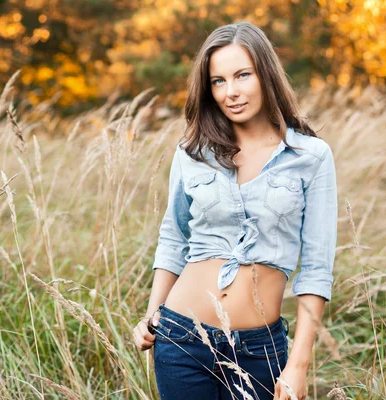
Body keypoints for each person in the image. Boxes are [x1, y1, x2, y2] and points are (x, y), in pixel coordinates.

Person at [132, 21, 337, 400]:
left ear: (266, 75)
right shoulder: (193, 152)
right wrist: (152, 313)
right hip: (181, 338)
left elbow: (316, 268)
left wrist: (298, 364)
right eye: (218, 81)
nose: (232, 92)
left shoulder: (310, 157)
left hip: (259, 350)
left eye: (243, 75)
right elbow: (174, 237)